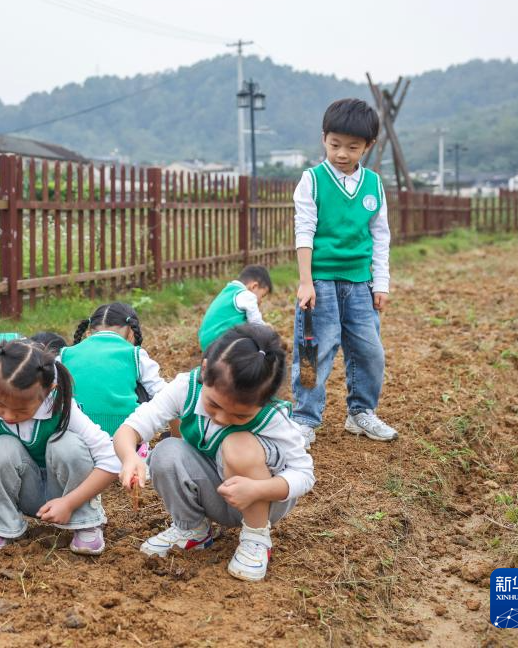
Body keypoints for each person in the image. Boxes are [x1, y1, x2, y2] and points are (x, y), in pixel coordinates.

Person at [114, 325, 314, 582]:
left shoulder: (273, 418)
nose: (221, 418)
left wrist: (257, 490)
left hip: (263, 500)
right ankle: (193, 530)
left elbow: (305, 474)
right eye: (214, 405)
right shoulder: (185, 388)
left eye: (240, 415)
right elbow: (130, 428)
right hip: (215, 495)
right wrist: (130, 457)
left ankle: (256, 537)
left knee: (237, 443)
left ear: (264, 401)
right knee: (165, 451)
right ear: (206, 369)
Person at [0, 339, 119, 555]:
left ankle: (85, 521)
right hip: (26, 493)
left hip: (67, 494)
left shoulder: (62, 407)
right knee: (0, 446)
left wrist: (70, 502)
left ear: (48, 390)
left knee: (67, 445)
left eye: (22, 409)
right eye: (1, 405)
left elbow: (112, 459)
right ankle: (5, 524)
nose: (9, 416)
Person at [291, 98, 397, 449]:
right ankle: (304, 419)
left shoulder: (373, 184)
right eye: (335, 144)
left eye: (352, 147)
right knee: (313, 352)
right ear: (324, 138)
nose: (341, 153)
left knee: (369, 351)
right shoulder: (312, 180)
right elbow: (304, 230)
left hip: (360, 284)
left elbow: (380, 236)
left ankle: (360, 413)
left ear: (368, 146)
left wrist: (380, 283)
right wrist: (306, 281)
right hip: (319, 282)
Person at [58, 303, 166, 437]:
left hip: (75, 433)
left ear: (89, 331)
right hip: (123, 436)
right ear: (131, 332)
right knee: (141, 384)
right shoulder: (135, 354)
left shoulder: (65, 354)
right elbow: (163, 395)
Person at [197, 265, 272, 351]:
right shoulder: (247, 295)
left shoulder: (229, 291)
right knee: (254, 345)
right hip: (220, 341)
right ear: (254, 286)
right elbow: (256, 323)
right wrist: (267, 330)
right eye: (262, 296)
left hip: (207, 340)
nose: (261, 301)